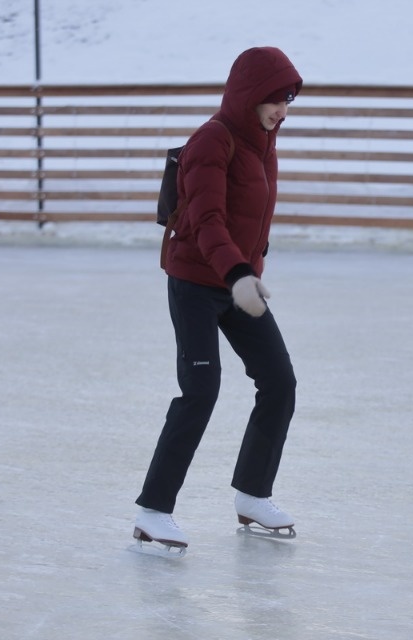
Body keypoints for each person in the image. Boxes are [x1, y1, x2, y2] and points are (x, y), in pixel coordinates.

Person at [133, 46, 303, 549]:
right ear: (250, 95)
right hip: (195, 282)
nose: (282, 110)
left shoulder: (263, 142)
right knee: (201, 391)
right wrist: (238, 274)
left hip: (237, 283)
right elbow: (207, 219)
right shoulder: (212, 140)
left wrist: (247, 273)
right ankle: (152, 510)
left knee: (279, 381)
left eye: (289, 100)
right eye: (275, 99)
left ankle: (253, 494)